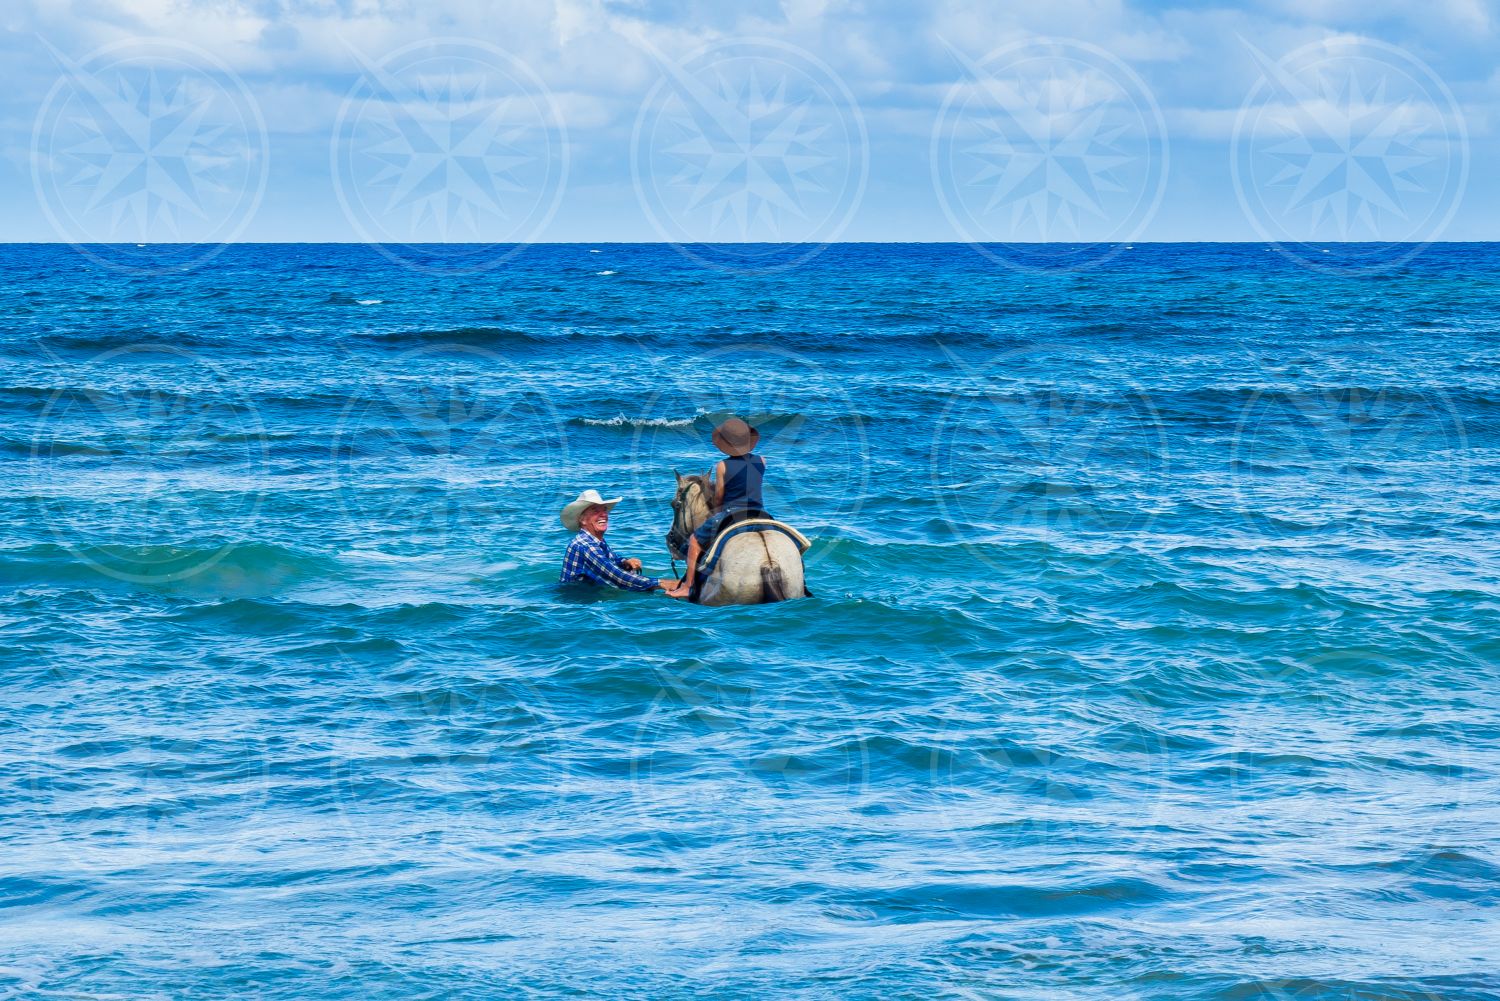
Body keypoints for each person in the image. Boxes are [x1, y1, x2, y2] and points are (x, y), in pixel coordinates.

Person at [680, 417, 769, 594]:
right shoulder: (762, 461)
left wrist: (716, 512)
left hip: (732, 513)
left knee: (694, 541)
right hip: (760, 513)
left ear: (726, 444)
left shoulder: (722, 466)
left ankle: (687, 586)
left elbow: (720, 496)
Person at [559, 489, 686, 597]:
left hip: (583, 598)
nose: (603, 514)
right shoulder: (585, 545)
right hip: (575, 602)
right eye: (595, 511)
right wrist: (662, 583)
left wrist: (624, 562)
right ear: (583, 520)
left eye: (604, 510)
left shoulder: (595, 541)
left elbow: (610, 559)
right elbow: (616, 576)